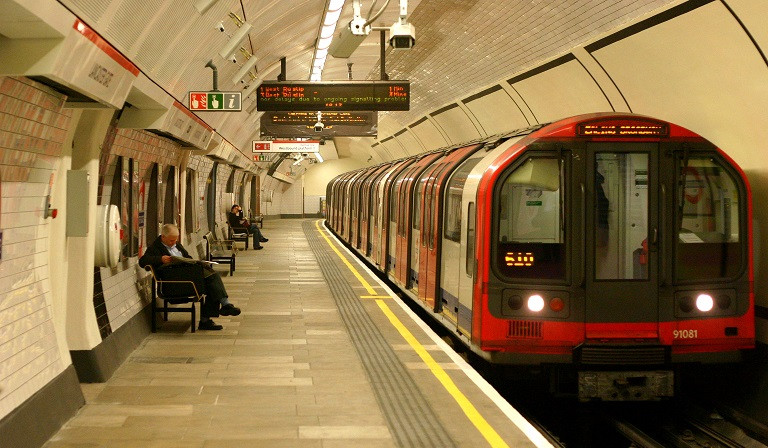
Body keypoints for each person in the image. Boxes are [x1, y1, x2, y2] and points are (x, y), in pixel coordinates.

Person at [139, 224, 240, 330]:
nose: (173, 242)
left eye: (175, 240)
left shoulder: (177, 245)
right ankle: (216, 312)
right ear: (163, 237)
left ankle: (220, 309)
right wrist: (160, 259)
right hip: (175, 282)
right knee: (213, 282)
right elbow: (143, 261)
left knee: (212, 283)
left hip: (188, 277)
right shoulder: (155, 248)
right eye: (171, 240)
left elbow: (188, 258)